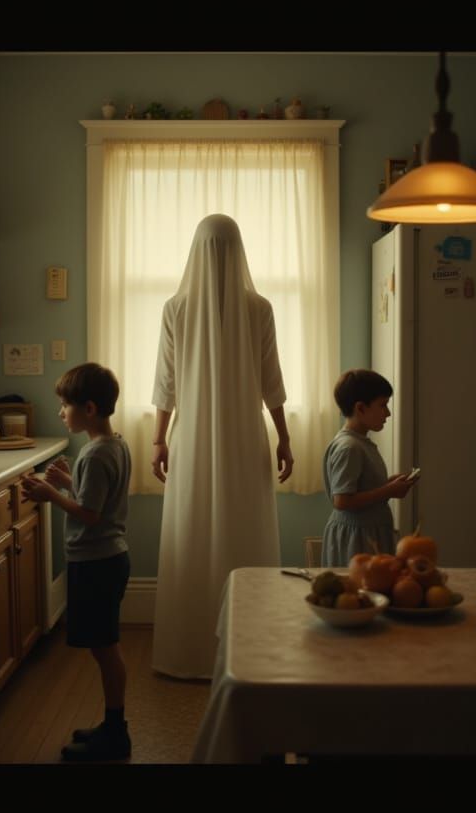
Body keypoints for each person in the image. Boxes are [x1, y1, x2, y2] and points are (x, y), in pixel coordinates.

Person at [151, 213, 294, 679]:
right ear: (239, 252)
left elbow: (166, 386)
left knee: (194, 531)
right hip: (244, 437)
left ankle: (189, 649)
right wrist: (284, 437)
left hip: (192, 440)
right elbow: (272, 384)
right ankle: (250, 650)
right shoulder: (260, 308)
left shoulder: (176, 308)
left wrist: (159, 440)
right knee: (243, 529)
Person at [21, 363, 133, 762]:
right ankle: (112, 723)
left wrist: (51, 493)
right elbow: (95, 499)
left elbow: (89, 514)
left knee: (105, 649)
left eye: (64, 405)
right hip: (109, 558)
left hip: (97, 562)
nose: (60, 412)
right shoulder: (114, 445)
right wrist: (69, 482)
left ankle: (116, 733)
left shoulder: (95, 454)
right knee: (105, 647)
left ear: (88, 407)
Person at [321, 369, 418, 566]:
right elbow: (342, 500)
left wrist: (388, 484)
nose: (388, 413)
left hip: (367, 533)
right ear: (361, 408)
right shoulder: (350, 447)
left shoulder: (360, 443)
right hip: (357, 541)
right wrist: (388, 491)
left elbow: (360, 488)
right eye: (383, 405)